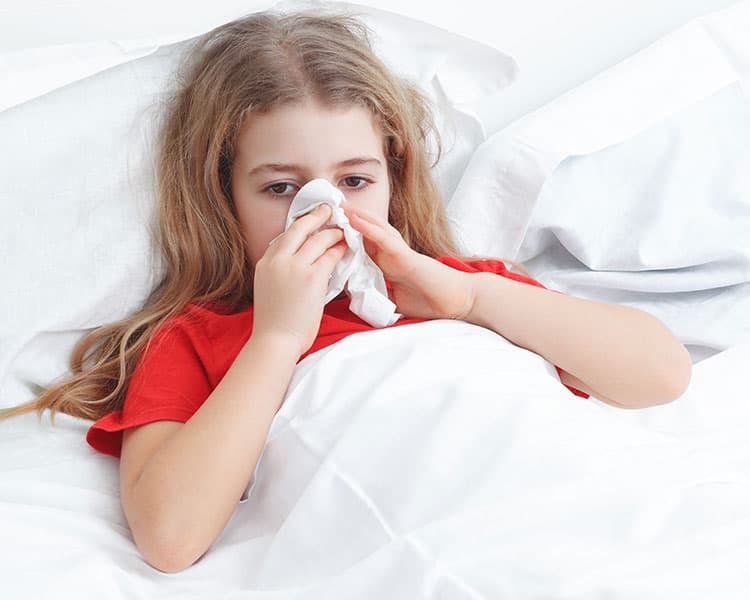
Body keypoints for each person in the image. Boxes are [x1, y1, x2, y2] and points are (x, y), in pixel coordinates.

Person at [0, 8, 692, 573]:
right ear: (223, 197)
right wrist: (275, 340)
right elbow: (170, 537)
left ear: (393, 176)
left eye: (355, 181)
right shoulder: (201, 339)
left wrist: (472, 301)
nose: (325, 210)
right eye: (281, 188)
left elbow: (660, 375)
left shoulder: (464, 289)